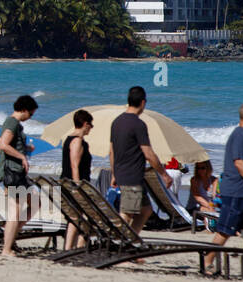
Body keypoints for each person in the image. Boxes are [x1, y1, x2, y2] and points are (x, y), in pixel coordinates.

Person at [205, 104, 243, 275]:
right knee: (226, 229)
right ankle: (208, 260)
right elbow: (239, 162)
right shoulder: (239, 135)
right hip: (236, 191)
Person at [108, 85, 170, 233]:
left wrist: (114, 173)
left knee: (146, 210)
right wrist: (164, 174)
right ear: (143, 103)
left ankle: (132, 241)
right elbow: (148, 153)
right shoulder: (138, 124)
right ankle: (120, 245)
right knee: (127, 213)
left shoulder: (116, 122)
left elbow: (111, 151)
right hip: (132, 176)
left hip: (125, 174)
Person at [0, 94, 38, 257]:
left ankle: (11, 232)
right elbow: (3, 145)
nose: (31, 117)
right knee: (15, 210)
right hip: (13, 171)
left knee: (35, 201)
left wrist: (25, 149)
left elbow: (1, 145)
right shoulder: (12, 122)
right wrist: (22, 157)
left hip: (15, 171)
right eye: (31, 114)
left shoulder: (13, 124)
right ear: (24, 110)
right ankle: (6, 248)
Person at [61, 109, 94, 250]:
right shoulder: (77, 141)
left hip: (67, 183)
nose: (91, 129)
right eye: (91, 125)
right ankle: (69, 248)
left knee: (77, 216)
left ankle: (78, 246)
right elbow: (74, 166)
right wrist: (77, 188)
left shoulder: (69, 139)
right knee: (76, 217)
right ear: (85, 124)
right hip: (73, 185)